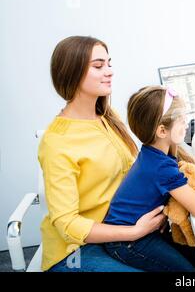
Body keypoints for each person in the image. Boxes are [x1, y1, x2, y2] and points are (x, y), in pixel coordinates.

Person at [39, 36, 166, 272]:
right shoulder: (56, 142)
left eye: (109, 63)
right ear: (72, 72)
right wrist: (136, 231)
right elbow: (66, 224)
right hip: (75, 251)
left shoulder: (107, 117)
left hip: (117, 233)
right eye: (98, 66)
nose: (109, 71)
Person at [103, 86, 195, 271]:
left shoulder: (157, 152)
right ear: (162, 131)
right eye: (182, 121)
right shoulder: (161, 168)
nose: (186, 124)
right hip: (126, 242)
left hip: (141, 230)